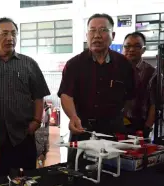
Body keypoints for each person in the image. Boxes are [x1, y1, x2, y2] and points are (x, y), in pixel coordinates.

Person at [0, 17, 50, 176]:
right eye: (5, 34)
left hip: (23, 134)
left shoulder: (29, 64)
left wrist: (36, 121)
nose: (10, 38)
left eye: (14, 34)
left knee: (28, 178)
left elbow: (39, 95)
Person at [58, 13, 135, 169]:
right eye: (92, 31)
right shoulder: (74, 65)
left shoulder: (124, 65)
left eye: (102, 30)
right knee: (78, 176)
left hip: (114, 134)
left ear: (112, 35)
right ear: (87, 35)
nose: (97, 36)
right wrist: (73, 116)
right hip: (82, 131)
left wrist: (121, 118)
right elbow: (66, 94)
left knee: (115, 176)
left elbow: (130, 97)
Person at [122, 32, 156, 138]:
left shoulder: (151, 72)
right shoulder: (115, 68)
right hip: (116, 124)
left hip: (139, 126)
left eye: (137, 46)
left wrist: (147, 127)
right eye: (127, 46)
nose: (131, 49)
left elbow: (154, 103)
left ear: (143, 50)